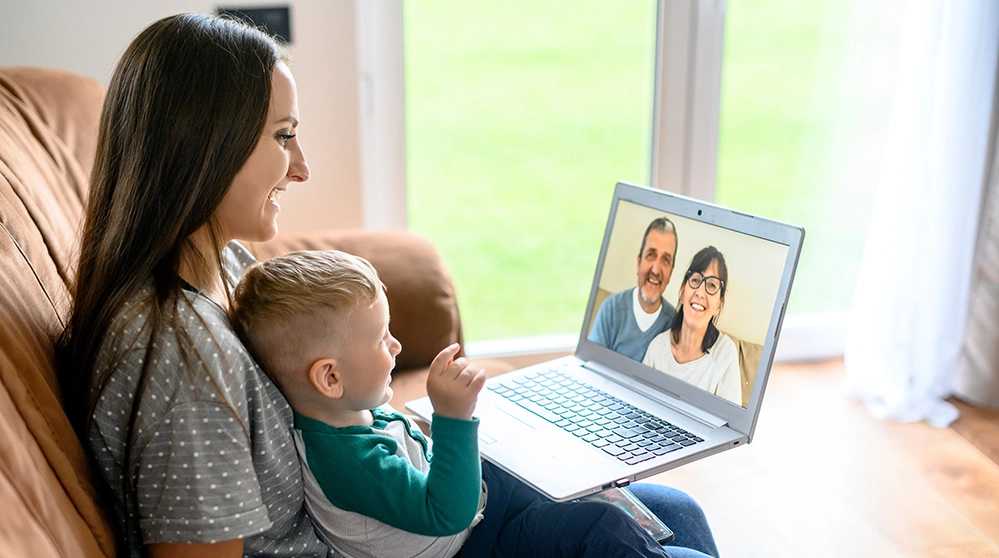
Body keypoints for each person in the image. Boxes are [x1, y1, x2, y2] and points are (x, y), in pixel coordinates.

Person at [57, 12, 719, 558]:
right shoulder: (180, 359)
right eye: (283, 137)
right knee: (645, 540)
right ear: (204, 146)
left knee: (672, 511)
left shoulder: (218, 268)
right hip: (418, 543)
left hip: (416, 520)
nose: (303, 168)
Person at [230, 250, 719, 558]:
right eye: (382, 339)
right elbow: (450, 514)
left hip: (483, 512)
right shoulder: (346, 462)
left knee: (672, 508)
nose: (398, 347)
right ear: (330, 377)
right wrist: (451, 418)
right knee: (604, 526)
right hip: (474, 541)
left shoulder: (343, 417)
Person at [643, 247, 741, 405]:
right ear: (682, 292)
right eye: (695, 280)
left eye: (712, 285)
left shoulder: (725, 354)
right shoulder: (657, 347)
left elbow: (728, 426)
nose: (700, 292)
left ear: (718, 305)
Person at [589, 217, 679, 362]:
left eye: (665, 260)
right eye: (651, 255)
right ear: (639, 262)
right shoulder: (611, 308)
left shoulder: (675, 327)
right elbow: (590, 365)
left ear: (671, 273)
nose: (656, 270)